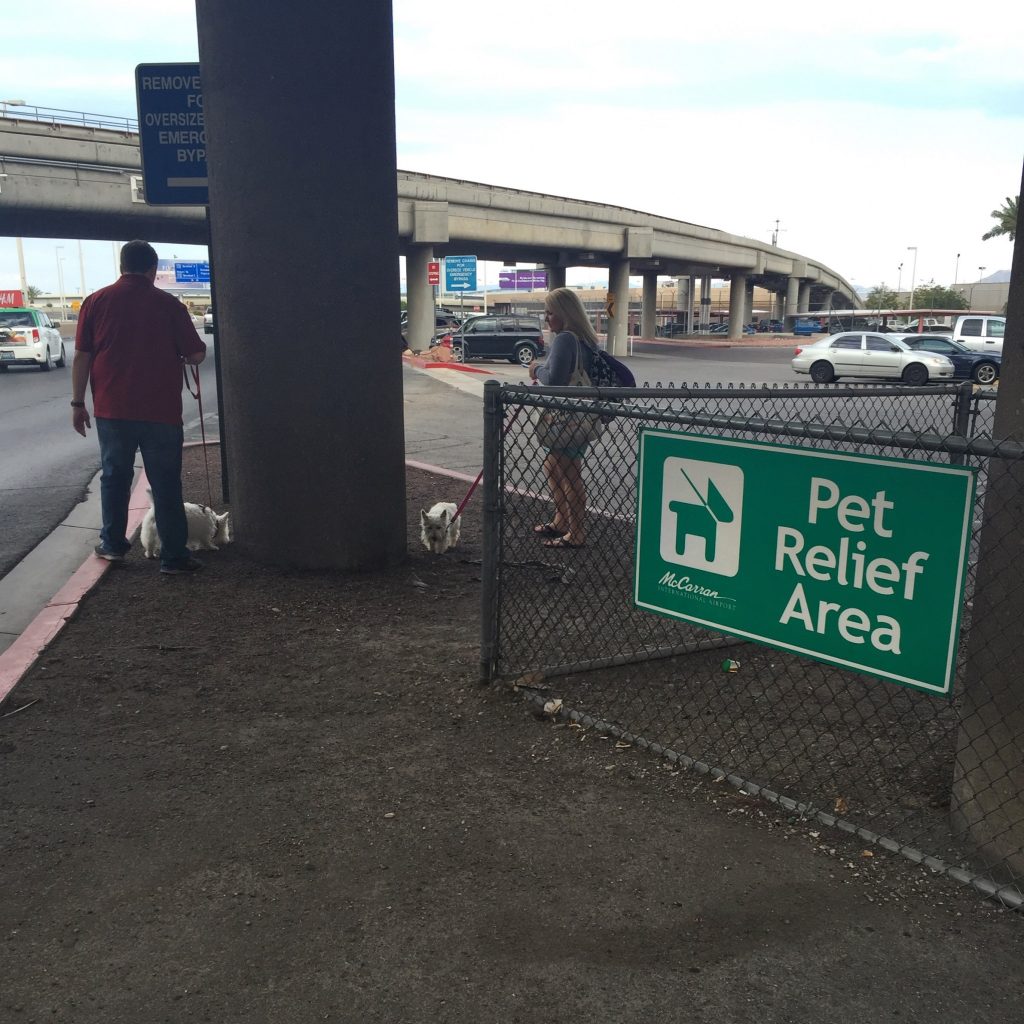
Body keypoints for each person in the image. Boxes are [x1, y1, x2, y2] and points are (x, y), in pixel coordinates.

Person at [71, 240, 208, 575]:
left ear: (122, 266)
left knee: (114, 477)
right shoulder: (169, 305)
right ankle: (174, 557)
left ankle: (113, 544)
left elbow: (82, 357)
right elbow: (196, 353)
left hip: (112, 409)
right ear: (152, 269)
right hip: (160, 411)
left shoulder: (95, 302)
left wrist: (78, 403)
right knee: (165, 483)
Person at [527, 286, 601, 550]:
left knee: (569, 473)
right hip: (581, 416)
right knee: (553, 466)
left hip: (564, 418)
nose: (547, 318)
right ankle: (561, 520)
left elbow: (555, 381)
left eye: (550, 313)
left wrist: (536, 369)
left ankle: (576, 532)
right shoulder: (587, 340)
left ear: (564, 313)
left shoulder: (565, 339)